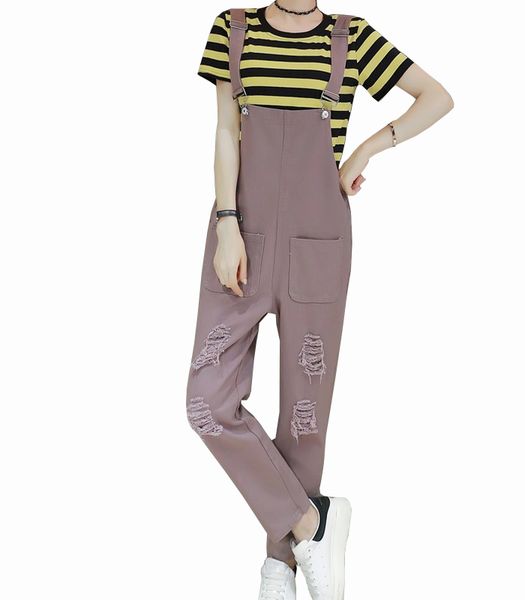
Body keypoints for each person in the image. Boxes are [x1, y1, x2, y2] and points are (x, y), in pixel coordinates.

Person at [187, 2, 453, 598]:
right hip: (240, 239)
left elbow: (436, 98)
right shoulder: (234, 28)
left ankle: (279, 568)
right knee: (206, 403)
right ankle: (312, 522)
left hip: (317, 242)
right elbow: (226, 129)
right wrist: (227, 222)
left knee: (303, 417)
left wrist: (364, 151)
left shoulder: (349, 38)